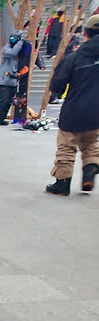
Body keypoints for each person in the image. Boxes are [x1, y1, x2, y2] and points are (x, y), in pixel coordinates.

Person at [45, 15, 99, 196]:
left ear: (85, 34)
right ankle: (89, 173)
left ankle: (62, 183)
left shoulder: (74, 58)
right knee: (91, 143)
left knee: (67, 146)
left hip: (74, 110)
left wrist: (58, 92)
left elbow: (57, 85)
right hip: (96, 113)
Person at [0, 31, 24, 126]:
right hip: (4, 80)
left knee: (9, 101)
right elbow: (12, 53)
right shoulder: (6, 49)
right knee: (3, 100)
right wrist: (20, 43)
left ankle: (2, 118)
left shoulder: (19, 51)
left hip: (13, 80)